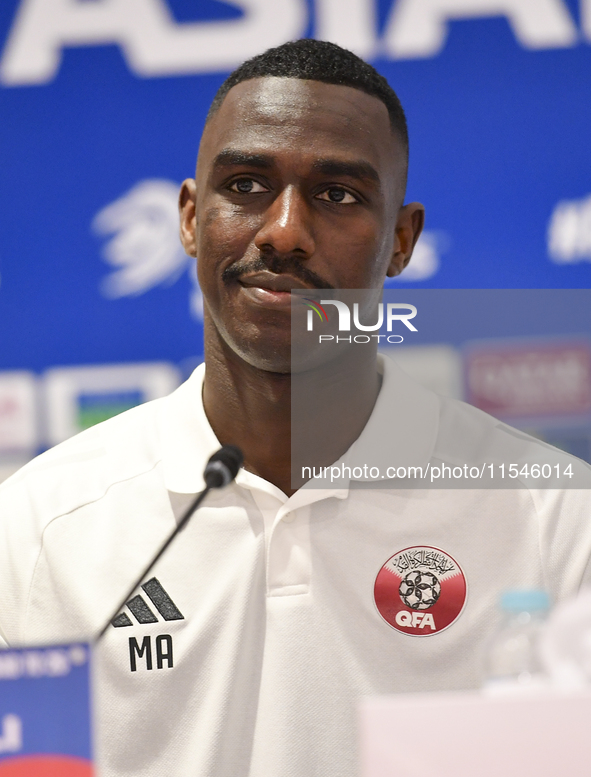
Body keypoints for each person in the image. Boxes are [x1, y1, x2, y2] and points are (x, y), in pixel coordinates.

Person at [0, 39, 590, 777]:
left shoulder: (555, 519)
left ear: (400, 241)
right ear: (190, 218)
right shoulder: (37, 531)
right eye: (245, 185)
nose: (282, 230)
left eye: (336, 194)